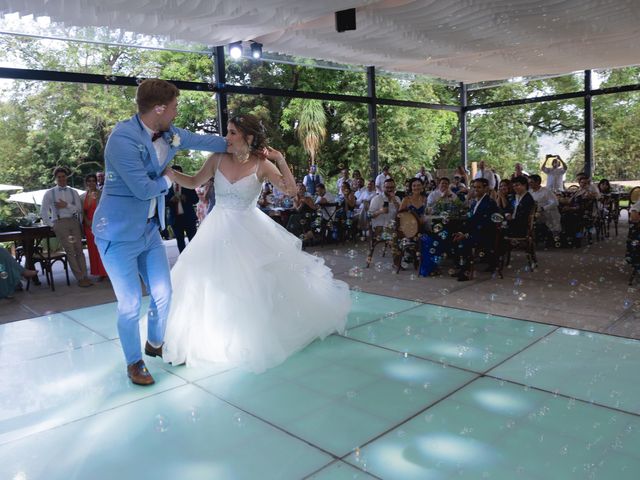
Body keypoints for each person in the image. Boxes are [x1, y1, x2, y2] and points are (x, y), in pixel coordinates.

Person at [162, 114, 350, 372]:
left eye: (232, 133)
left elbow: (291, 191)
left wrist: (280, 160)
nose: (226, 137)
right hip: (215, 231)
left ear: (248, 137)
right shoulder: (217, 158)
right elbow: (194, 182)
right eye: (226, 132)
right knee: (203, 280)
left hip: (249, 230)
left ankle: (250, 335)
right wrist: (170, 173)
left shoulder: (262, 165)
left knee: (254, 285)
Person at [92, 79, 228, 386]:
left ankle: (154, 343)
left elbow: (204, 141)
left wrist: (240, 143)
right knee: (128, 304)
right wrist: (170, 179)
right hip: (117, 233)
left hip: (150, 231)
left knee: (164, 293)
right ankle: (134, 362)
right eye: (175, 106)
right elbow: (143, 189)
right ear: (159, 109)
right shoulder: (121, 139)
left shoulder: (171, 134)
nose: (177, 111)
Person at [40, 166, 93, 288]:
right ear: (56, 178)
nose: (62, 179)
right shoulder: (49, 193)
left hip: (73, 221)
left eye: (63, 176)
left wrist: (66, 205)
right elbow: (43, 211)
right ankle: (80, 278)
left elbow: (79, 209)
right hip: (60, 222)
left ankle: (85, 276)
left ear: (66, 177)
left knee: (79, 250)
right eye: (59, 177)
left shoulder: (73, 192)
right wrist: (52, 224)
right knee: (70, 251)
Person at [452, 178, 499, 281]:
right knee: (455, 237)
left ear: (485, 188)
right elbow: (471, 221)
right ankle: (461, 267)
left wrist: (466, 235)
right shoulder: (474, 203)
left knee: (465, 242)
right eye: (474, 187)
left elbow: (486, 224)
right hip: (476, 232)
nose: (476, 189)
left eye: (479, 187)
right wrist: (462, 232)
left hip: (485, 235)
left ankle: (466, 271)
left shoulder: (490, 203)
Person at [166, 165, 199, 253]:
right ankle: (183, 259)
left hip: (188, 218)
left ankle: (195, 256)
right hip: (175, 220)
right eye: (174, 173)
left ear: (182, 174)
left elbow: (196, 200)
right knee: (180, 241)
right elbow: (163, 203)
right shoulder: (167, 186)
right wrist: (170, 200)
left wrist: (186, 197)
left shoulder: (188, 185)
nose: (176, 176)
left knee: (193, 240)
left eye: (178, 173)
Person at [80, 173, 107, 281]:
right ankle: (99, 273)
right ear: (86, 183)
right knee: (93, 249)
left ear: (96, 182)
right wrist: (86, 221)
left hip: (101, 224)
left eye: (93, 180)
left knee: (102, 248)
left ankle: (106, 271)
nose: (91, 183)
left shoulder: (102, 194)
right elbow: (81, 211)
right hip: (88, 226)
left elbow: (104, 209)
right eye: (89, 181)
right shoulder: (82, 197)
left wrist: (95, 221)